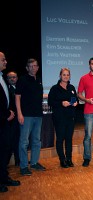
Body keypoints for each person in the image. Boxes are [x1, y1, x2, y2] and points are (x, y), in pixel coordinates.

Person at [15, 58, 46, 176]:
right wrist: (19, 113)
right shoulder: (22, 80)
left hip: (38, 115)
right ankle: (23, 166)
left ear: (38, 67)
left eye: (35, 66)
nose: (33, 68)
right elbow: (17, 97)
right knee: (24, 142)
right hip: (26, 116)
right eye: (31, 66)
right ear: (27, 68)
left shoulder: (38, 80)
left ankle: (34, 163)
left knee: (36, 141)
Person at [48, 68, 78, 168]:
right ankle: (62, 159)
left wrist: (75, 103)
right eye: (64, 75)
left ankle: (69, 159)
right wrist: (61, 103)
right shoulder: (54, 88)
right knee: (60, 139)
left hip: (70, 117)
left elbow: (75, 99)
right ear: (60, 76)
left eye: (67, 75)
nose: (66, 76)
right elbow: (50, 102)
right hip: (59, 118)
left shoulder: (72, 87)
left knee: (69, 139)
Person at [0, 52, 20, 193]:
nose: (6, 62)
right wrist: (6, 114)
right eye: (3, 60)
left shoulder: (1, 78)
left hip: (5, 122)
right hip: (2, 120)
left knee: (5, 151)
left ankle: (4, 177)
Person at [6, 71, 20, 166]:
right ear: (7, 79)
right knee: (10, 141)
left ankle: (18, 161)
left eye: (14, 77)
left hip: (20, 118)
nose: (12, 79)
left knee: (19, 140)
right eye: (10, 77)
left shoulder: (20, 89)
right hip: (10, 120)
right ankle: (5, 164)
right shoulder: (6, 89)